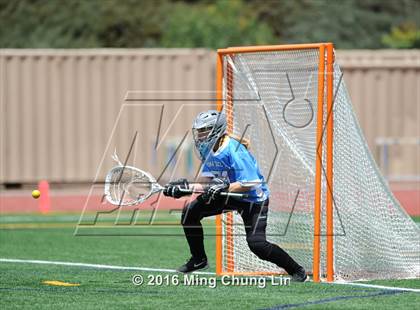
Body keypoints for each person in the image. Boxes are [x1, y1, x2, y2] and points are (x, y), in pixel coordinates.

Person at [163, 110, 307, 282]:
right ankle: (199, 260)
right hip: (229, 194)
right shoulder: (208, 149)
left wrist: (223, 186)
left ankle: (297, 270)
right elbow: (206, 182)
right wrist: (184, 188)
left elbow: (250, 183)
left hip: (252, 199)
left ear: (217, 129)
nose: (200, 135)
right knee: (190, 212)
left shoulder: (234, 150)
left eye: (204, 130)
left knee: (257, 245)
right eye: (199, 130)